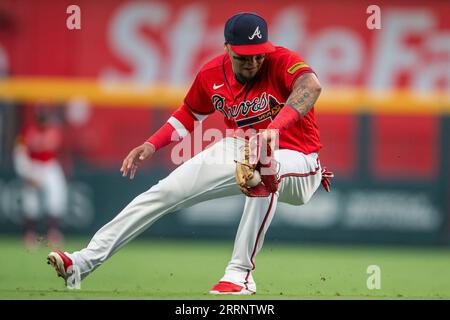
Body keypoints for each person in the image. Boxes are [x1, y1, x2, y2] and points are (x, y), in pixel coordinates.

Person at [47, 12, 332, 294]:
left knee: (263, 166)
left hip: (300, 160)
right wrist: (153, 143)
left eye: (259, 55)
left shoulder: (282, 60)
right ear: (227, 49)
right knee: (166, 192)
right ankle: (83, 262)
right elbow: (189, 114)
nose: (254, 62)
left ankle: (239, 274)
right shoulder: (211, 74)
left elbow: (311, 85)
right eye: (245, 57)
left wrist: (275, 127)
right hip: (244, 146)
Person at [14, 105, 68, 249]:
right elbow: (19, 153)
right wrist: (26, 172)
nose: (43, 118)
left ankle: (53, 233)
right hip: (33, 165)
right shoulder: (27, 130)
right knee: (30, 202)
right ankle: (30, 235)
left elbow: (62, 152)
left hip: (50, 165)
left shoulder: (54, 129)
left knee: (56, 197)